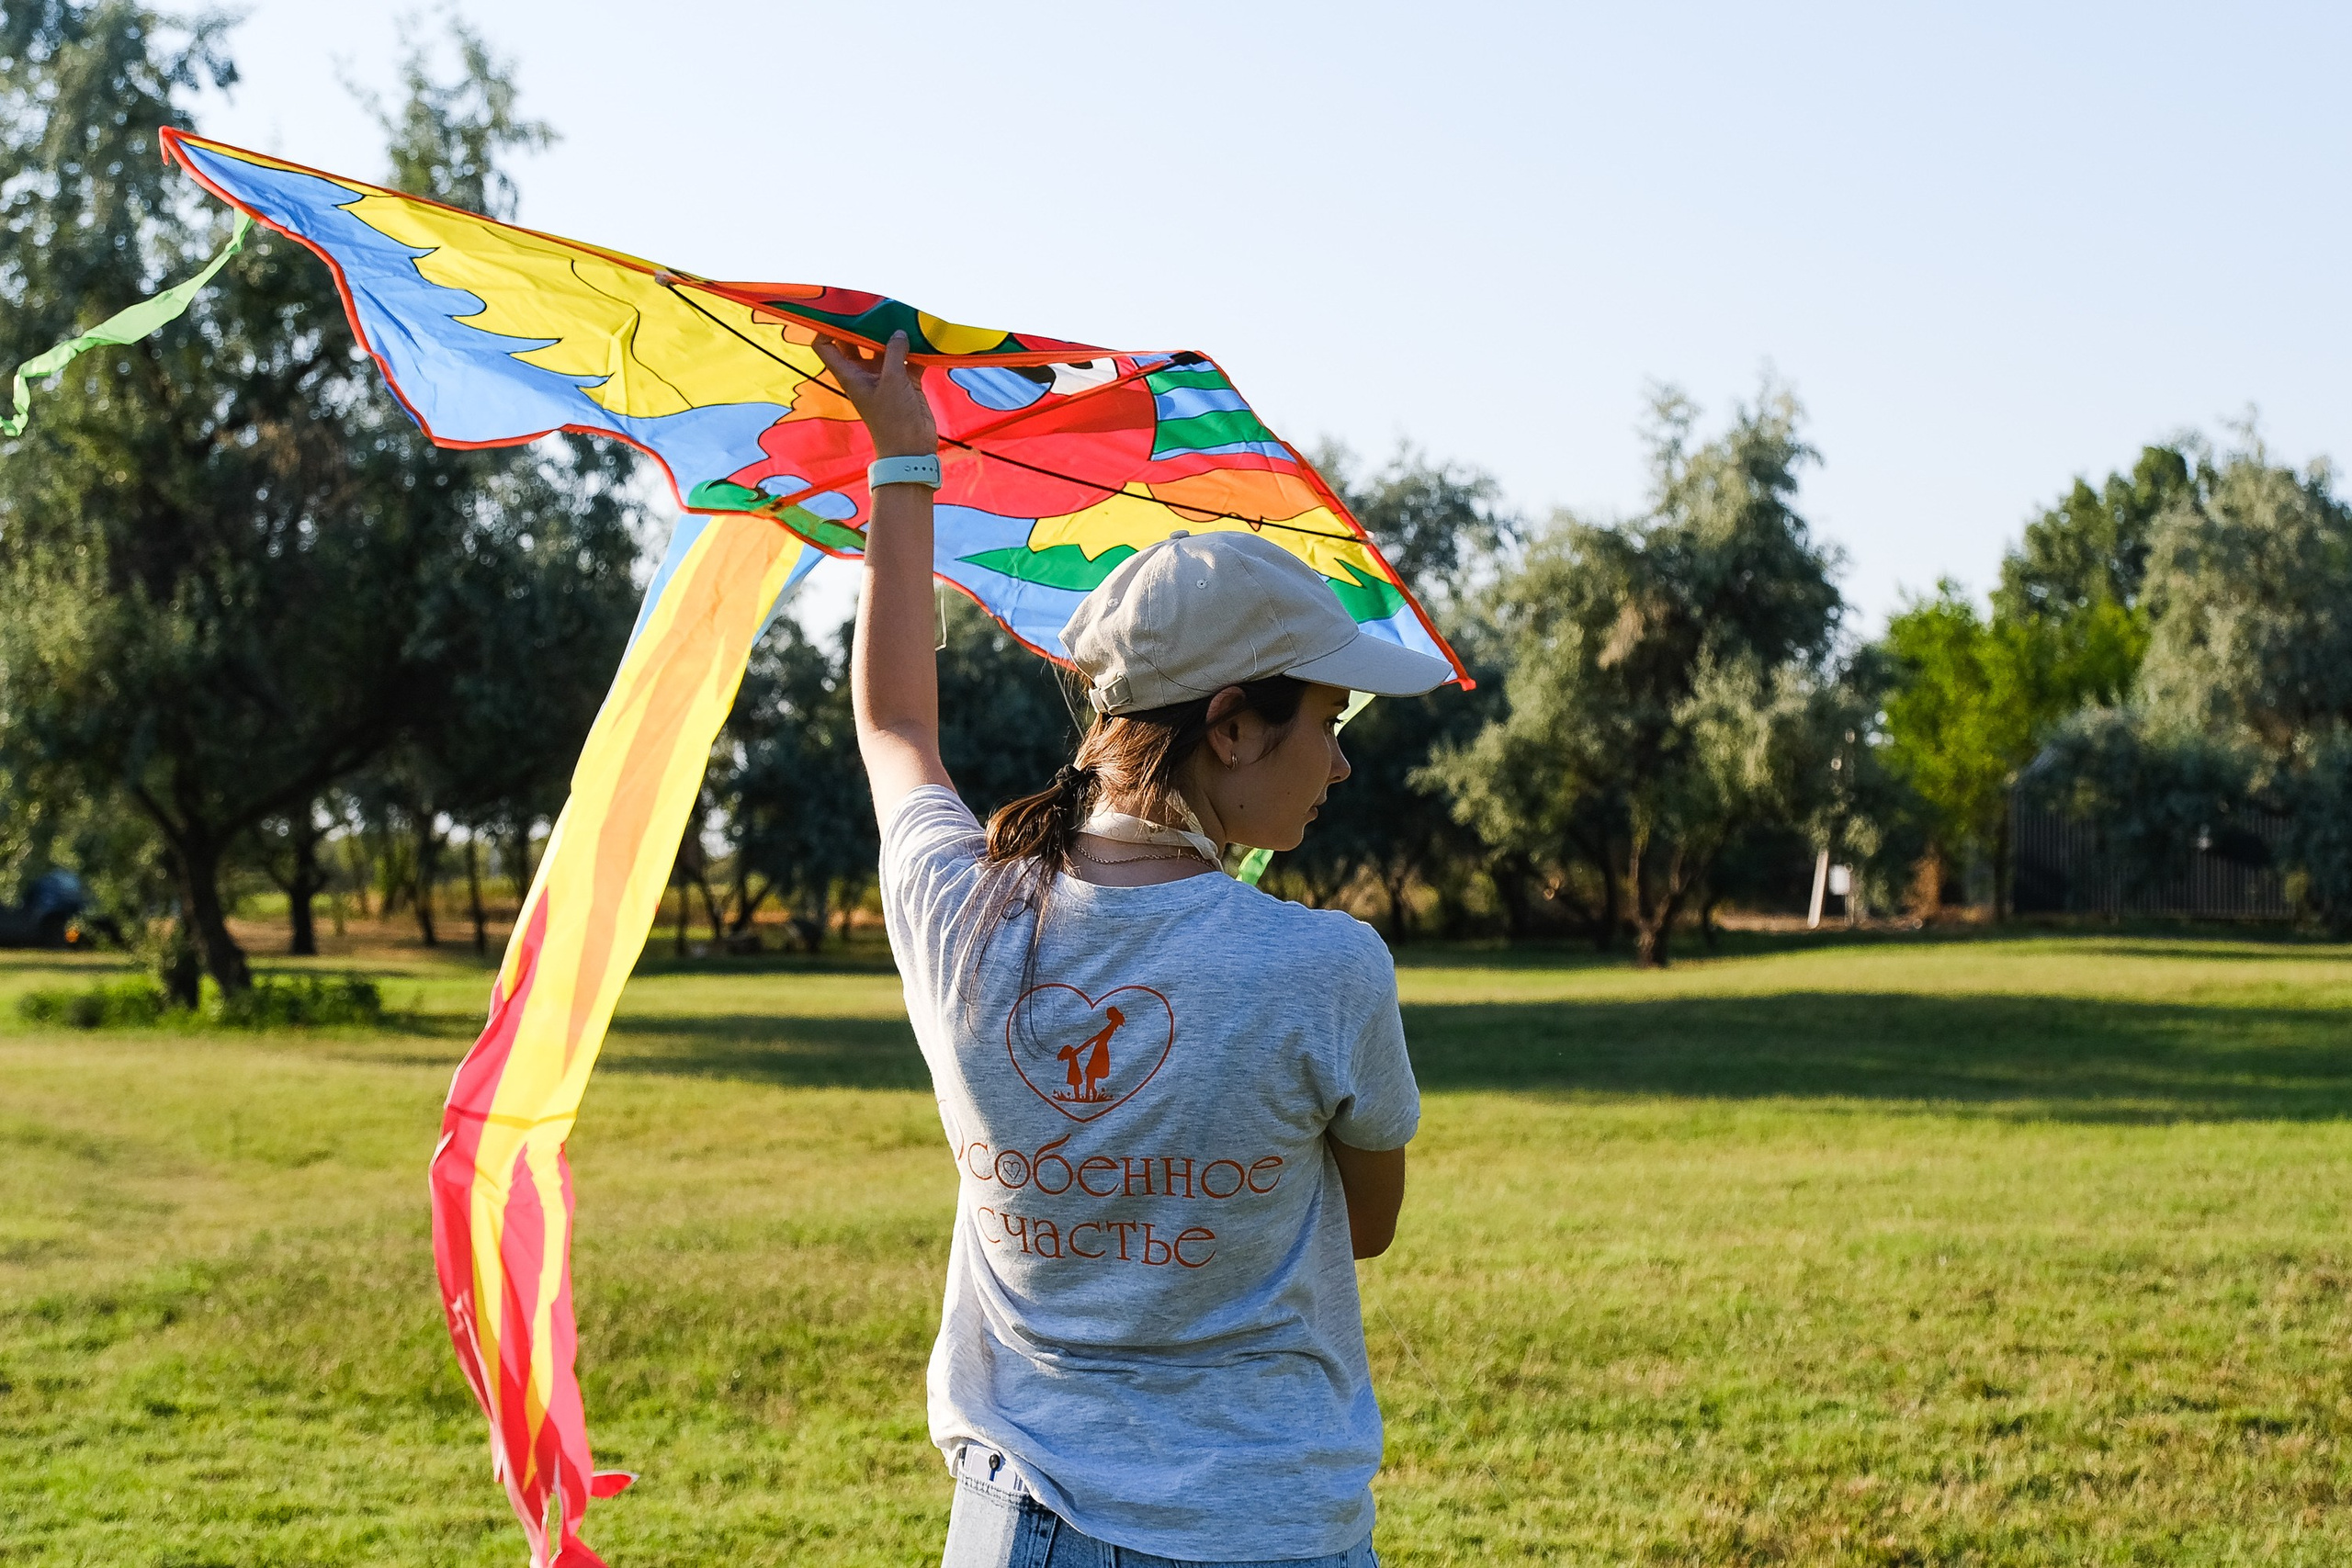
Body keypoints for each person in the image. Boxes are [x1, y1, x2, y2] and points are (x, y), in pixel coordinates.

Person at [817, 330, 1453, 1568]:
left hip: (1020, 1528)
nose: (1340, 763)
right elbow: (1367, 1225)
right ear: (1232, 726)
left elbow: (894, 725)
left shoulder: (959, 914)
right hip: (1268, 1532)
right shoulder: (1326, 969)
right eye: (1327, 720)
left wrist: (903, 459)